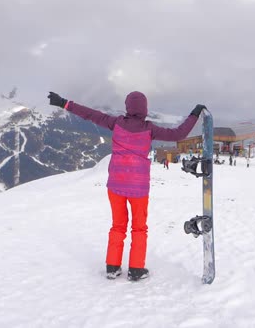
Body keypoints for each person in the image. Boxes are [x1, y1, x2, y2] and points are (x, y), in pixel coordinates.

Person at [47, 91, 206, 281]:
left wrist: (64, 103)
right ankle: (136, 269)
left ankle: (112, 267)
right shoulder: (150, 129)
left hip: (115, 185)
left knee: (118, 226)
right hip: (138, 188)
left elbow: (89, 113)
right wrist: (194, 114)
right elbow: (179, 133)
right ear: (145, 109)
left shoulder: (116, 123)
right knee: (139, 228)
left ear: (127, 107)